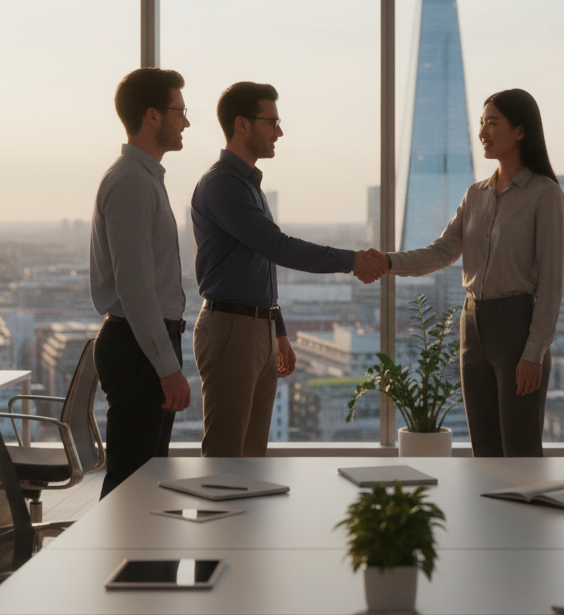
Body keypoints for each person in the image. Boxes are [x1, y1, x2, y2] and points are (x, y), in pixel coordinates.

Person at [191, 81, 387, 457]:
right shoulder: (222, 185)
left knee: (251, 456)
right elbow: (278, 248)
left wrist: (276, 328)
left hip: (255, 329)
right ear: (242, 124)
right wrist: (353, 261)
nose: (279, 132)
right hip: (232, 330)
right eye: (272, 122)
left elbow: (259, 263)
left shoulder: (249, 185)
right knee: (226, 456)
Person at [367, 89, 564, 457]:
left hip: (517, 327)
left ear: (521, 131)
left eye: (493, 123)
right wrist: (388, 261)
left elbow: (552, 282)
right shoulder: (476, 194)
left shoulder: (545, 194)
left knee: (520, 449)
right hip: (473, 324)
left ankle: (523, 516)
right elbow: (442, 251)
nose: (483, 132)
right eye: (481, 123)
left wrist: (534, 352)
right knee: (484, 448)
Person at [89, 67, 194, 498]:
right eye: (180, 110)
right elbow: (135, 289)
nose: (186, 121)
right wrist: (167, 367)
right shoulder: (132, 182)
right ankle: (125, 567)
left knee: (144, 485)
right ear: (153, 116)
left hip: (143, 345)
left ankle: (142, 565)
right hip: (137, 348)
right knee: (132, 489)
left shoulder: (145, 178)